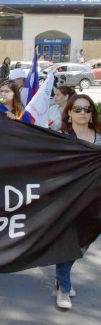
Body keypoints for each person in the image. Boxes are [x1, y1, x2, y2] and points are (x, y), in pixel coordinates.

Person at [54, 94, 101, 310]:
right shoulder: (62, 137)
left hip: (95, 202)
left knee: (82, 243)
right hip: (69, 200)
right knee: (68, 243)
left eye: (87, 109)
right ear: (70, 113)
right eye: (78, 109)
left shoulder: (100, 138)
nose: (83, 112)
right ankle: (63, 289)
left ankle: (60, 279)